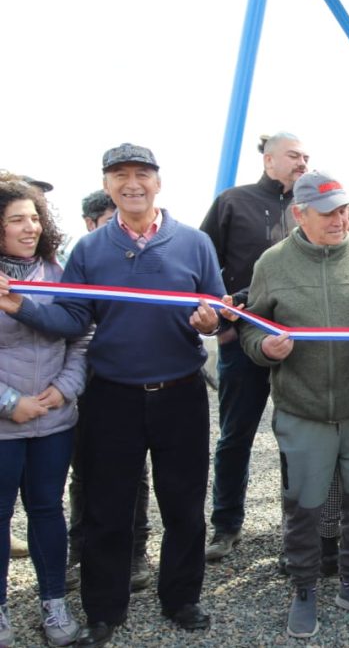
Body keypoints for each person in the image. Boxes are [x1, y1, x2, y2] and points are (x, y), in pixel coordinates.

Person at [0, 144, 227, 647]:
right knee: (108, 506)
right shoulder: (91, 250)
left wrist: (213, 321)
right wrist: (20, 306)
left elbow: (216, 308)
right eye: (120, 176)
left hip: (180, 393)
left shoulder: (193, 242)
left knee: (184, 505)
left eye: (141, 174)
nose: (132, 184)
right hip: (112, 397)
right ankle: (104, 607)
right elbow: (73, 321)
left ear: (158, 182)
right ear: (107, 187)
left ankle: (181, 598)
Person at [237, 171, 349, 638]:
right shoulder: (272, 264)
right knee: (303, 507)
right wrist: (264, 348)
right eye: (327, 213)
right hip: (303, 411)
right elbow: (251, 325)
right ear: (299, 214)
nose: (339, 221)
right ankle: (304, 588)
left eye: (345, 212)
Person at [200, 131, 308, 563]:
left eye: (306, 156)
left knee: (296, 437)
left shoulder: (313, 211)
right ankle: (225, 525)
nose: (303, 162)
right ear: (269, 161)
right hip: (240, 339)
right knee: (235, 434)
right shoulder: (232, 201)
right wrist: (219, 312)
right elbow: (203, 261)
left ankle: (295, 527)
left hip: (299, 342)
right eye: (294, 155)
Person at [0, 174, 85, 647]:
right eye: (16, 220)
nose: (29, 228)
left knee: (47, 510)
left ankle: (53, 603)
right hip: (5, 425)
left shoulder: (58, 274)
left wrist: (64, 390)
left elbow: (81, 337)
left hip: (54, 419)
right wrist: (11, 404)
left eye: (34, 218)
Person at [65, 188, 153, 595]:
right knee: (84, 472)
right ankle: (79, 549)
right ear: (90, 226)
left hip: (128, 380)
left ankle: (136, 551)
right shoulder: (79, 260)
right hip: (81, 380)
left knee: (134, 474)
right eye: (107, 225)